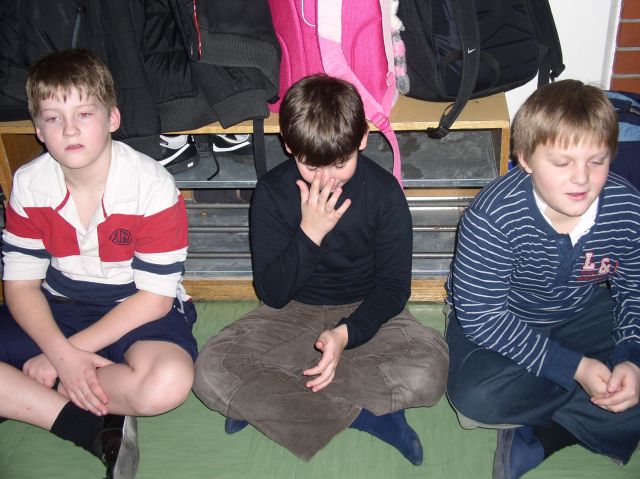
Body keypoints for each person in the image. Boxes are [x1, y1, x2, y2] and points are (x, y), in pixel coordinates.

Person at [193, 74, 448, 464]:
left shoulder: (384, 193)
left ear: (362, 139)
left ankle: (270, 401)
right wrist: (309, 234)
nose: (326, 179)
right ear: (289, 146)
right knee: (210, 372)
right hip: (292, 311)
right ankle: (366, 416)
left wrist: (346, 335)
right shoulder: (273, 192)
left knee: (430, 371)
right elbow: (272, 293)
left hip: (365, 309)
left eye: (340, 164)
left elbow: (394, 288)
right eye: (311, 166)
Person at [0, 49, 197, 478]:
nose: (69, 129)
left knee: (168, 381)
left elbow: (154, 299)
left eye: (84, 114)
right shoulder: (29, 183)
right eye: (54, 118)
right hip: (59, 305)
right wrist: (62, 355)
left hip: (134, 307)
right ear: (38, 130)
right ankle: (90, 425)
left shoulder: (152, 185)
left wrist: (64, 357)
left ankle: (28, 396)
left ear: (112, 118)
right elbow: (20, 286)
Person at [445, 79, 640, 479]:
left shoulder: (626, 207)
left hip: (579, 310)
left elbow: (633, 288)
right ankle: (588, 412)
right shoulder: (492, 215)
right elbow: (482, 318)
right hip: (504, 318)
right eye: (562, 163)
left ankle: (543, 434)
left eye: (597, 161)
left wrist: (629, 357)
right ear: (526, 159)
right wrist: (576, 368)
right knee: (473, 398)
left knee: (630, 379)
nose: (581, 179)